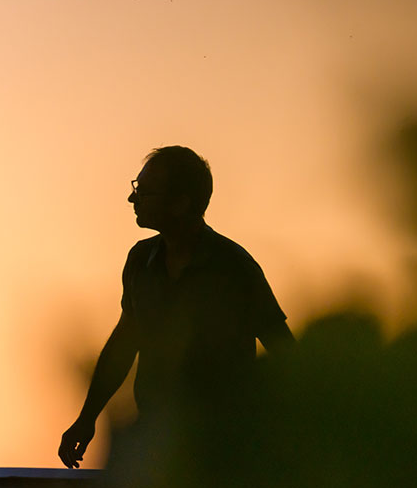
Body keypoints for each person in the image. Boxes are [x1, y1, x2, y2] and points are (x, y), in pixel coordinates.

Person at [58, 146, 294, 469]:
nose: (133, 199)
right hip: (156, 447)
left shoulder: (235, 268)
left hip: (222, 452)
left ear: (181, 203)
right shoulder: (140, 261)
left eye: (144, 191)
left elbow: (285, 353)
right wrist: (87, 419)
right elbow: (124, 344)